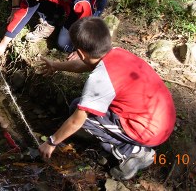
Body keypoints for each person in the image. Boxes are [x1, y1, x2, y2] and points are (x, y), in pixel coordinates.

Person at [38, 17, 176, 180]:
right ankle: (121, 143)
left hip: (150, 132)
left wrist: (52, 142)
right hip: (163, 118)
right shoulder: (117, 53)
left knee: (83, 115)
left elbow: (77, 121)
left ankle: (134, 153)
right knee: (78, 104)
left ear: (80, 53)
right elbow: (85, 65)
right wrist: (56, 66)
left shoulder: (100, 79)